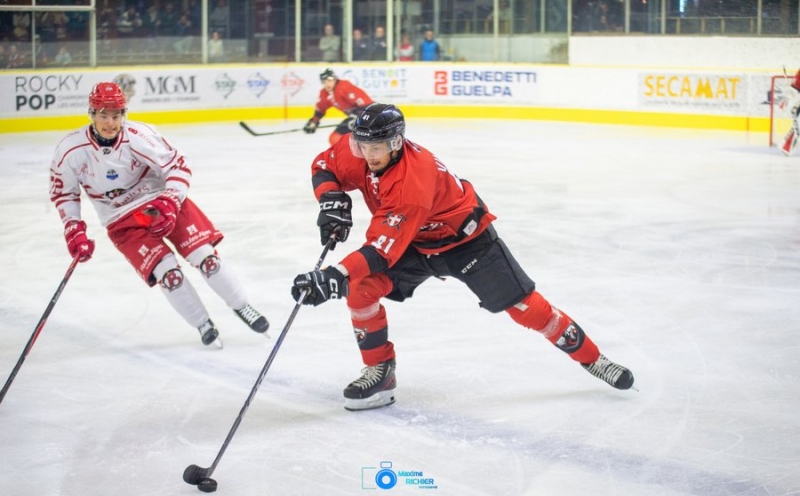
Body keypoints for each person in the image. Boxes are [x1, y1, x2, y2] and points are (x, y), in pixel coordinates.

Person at [291, 103, 635, 411]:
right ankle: (381, 372)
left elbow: (381, 250)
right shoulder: (362, 150)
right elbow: (323, 165)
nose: (367, 154)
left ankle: (594, 359)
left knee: (526, 308)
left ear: (396, 143)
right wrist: (331, 198)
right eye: (361, 145)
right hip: (415, 241)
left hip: (467, 243)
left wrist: (336, 275)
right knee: (361, 288)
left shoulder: (413, 179)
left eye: (375, 147)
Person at [49, 82, 269, 347]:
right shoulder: (70, 150)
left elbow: (178, 165)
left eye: (116, 115)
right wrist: (73, 228)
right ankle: (202, 323)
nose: (110, 122)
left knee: (207, 259)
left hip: (161, 201)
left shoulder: (139, 136)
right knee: (169, 275)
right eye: (103, 115)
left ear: (124, 114)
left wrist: (170, 200)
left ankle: (241, 306)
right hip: (120, 219)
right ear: (91, 114)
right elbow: (65, 193)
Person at [303, 68, 375, 146]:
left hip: (369, 117)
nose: (327, 84)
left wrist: (358, 118)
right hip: (354, 120)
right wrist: (314, 122)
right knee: (335, 138)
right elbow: (320, 109)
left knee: (336, 138)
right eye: (324, 82)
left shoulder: (344, 86)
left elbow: (367, 104)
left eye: (329, 81)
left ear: (335, 79)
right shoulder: (324, 93)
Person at [777, 69, 800, 156]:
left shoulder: (797, 78)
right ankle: (786, 147)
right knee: (797, 129)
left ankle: (785, 146)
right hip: (795, 107)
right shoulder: (796, 83)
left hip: (795, 106)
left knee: (797, 129)